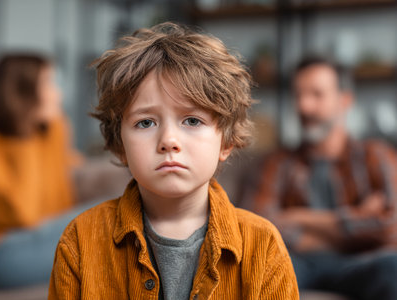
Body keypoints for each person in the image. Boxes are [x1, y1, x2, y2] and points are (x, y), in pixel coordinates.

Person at [49, 22, 299, 300]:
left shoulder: (263, 245)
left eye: (192, 120)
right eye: (146, 123)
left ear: (226, 141)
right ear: (119, 145)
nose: (169, 140)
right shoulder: (80, 240)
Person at [251, 56, 397, 299]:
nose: (304, 106)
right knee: (257, 271)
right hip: (297, 263)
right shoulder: (276, 163)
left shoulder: (376, 155)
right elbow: (255, 226)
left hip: (364, 263)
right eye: (298, 95)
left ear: (345, 100)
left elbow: (391, 227)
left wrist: (300, 218)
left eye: (316, 95)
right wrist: (358, 220)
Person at [0, 54, 99, 288]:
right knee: (116, 212)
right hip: (2, 251)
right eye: (49, 84)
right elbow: (24, 214)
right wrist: (23, 134)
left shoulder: (53, 129)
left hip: (52, 237)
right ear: (22, 93)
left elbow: (73, 165)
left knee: (124, 206)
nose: (58, 94)